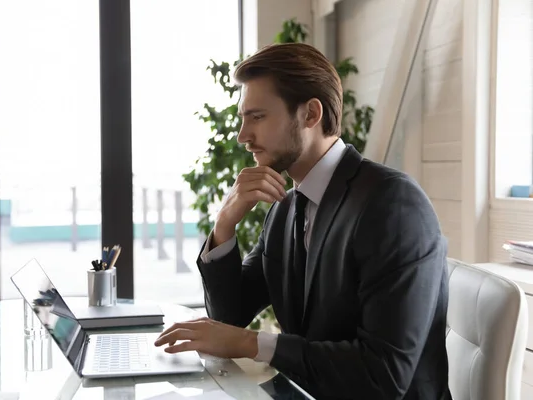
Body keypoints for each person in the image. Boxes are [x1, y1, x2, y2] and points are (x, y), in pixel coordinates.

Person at [154, 43, 451, 400]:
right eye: (243, 118)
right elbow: (229, 318)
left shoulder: (392, 204)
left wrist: (254, 344)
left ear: (310, 114)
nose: (242, 136)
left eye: (258, 117)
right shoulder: (285, 208)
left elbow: (383, 375)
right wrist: (224, 225)